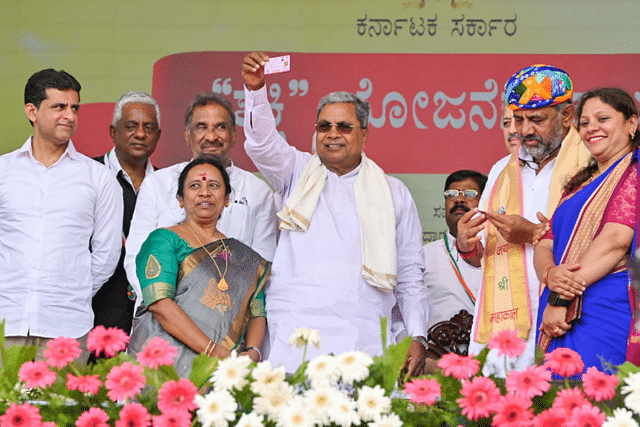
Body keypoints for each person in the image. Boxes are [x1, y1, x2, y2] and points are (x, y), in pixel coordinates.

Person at [242, 52, 428, 375]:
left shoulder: (393, 192)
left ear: (365, 134)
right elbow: (262, 144)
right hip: (295, 333)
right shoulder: (295, 172)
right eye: (324, 126)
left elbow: (411, 274)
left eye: (344, 127)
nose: (332, 134)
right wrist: (256, 90)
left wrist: (418, 335)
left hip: (364, 334)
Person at [456, 64, 590, 376]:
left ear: (567, 115)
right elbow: (482, 255)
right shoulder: (502, 169)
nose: (524, 129)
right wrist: (467, 247)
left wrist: (530, 232)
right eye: (518, 119)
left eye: (537, 119)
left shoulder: (589, 166)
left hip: (566, 312)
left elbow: (605, 241)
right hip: (502, 324)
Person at [0, 69, 122, 365]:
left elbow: (106, 255)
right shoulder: (4, 171)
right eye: (59, 107)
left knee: (60, 412)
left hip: (67, 329)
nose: (69, 116)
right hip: (7, 321)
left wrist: (70, 286)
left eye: (74, 108)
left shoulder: (99, 178)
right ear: (32, 111)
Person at [124, 92, 278, 308]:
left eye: (220, 127)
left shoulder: (258, 192)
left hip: (230, 319)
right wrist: (169, 305)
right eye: (202, 127)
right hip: (163, 316)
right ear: (187, 135)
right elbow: (137, 258)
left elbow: (261, 266)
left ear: (234, 134)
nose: (211, 136)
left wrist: (216, 312)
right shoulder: (157, 184)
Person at [128, 156, 269, 378]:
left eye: (213, 185)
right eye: (195, 186)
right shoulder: (164, 240)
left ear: (227, 199)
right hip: (165, 367)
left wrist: (253, 352)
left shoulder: (245, 258)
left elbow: (256, 311)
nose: (205, 192)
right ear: (181, 199)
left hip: (223, 374)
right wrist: (213, 351)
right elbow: (160, 304)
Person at [535, 87, 639, 375]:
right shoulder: (576, 184)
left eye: (603, 118)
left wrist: (560, 298)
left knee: (594, 403)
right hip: (555, 311)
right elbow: (545, 242)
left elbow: (616, 241)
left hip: (602, 310)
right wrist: (549, 275)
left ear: (631, 124)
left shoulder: (634, 172)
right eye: (584, 122)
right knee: (553, 408)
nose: (592, 127)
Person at [92, 91, 161, 336]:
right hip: (92, 314)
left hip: (153, 317)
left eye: (149, 127)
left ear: (159, 136)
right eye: (131, 126)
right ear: (114, 132)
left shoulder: (169, 185)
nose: (140, 134)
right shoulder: (87, 174)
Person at [423, 170, 487, 339]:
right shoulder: (424, 255)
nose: (458, 199)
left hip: (494, 353)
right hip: (437, 358)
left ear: (486, 200)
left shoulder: (502, 254)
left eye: (469, 194)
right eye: (451, 194)